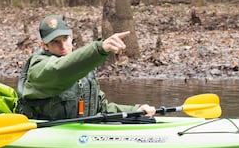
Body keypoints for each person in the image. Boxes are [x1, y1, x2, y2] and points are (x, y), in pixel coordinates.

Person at [17, 14, 156, 121]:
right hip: (46, 133)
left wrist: (135, 110)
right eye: (55, 42)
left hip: (82, 133)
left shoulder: (82, 66)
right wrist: (99, 48)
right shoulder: (38, 67)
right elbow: (59, 70)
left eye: (65, 39)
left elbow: (101, 108)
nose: (63, 46)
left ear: (71, 36)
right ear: (44, 45)